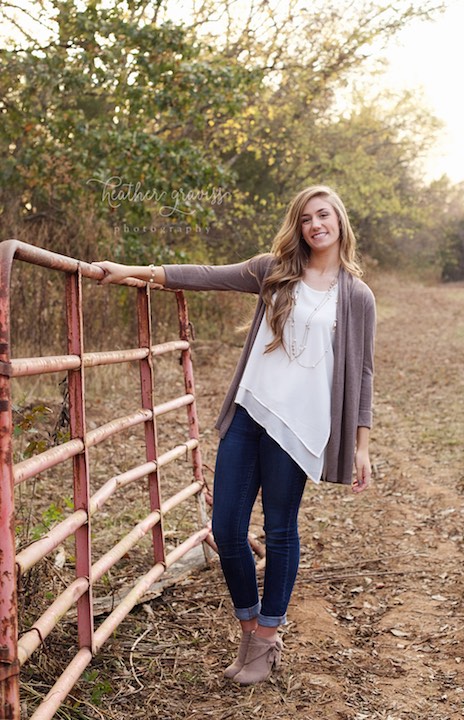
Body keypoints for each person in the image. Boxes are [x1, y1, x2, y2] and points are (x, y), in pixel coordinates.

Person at [93, 184, 376, 686]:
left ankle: (266, 639)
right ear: (299, 225)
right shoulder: (274, 270)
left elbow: (365, 372)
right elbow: (206, 276)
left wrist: (361, 445)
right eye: (307, 218)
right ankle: (250, 629)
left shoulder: (357, 296)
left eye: (324, 215)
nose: (316, 225)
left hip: (301, 425)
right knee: (226, 529)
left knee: (281, 529)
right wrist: (135, 273)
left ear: (340, 222)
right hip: (250, 412)